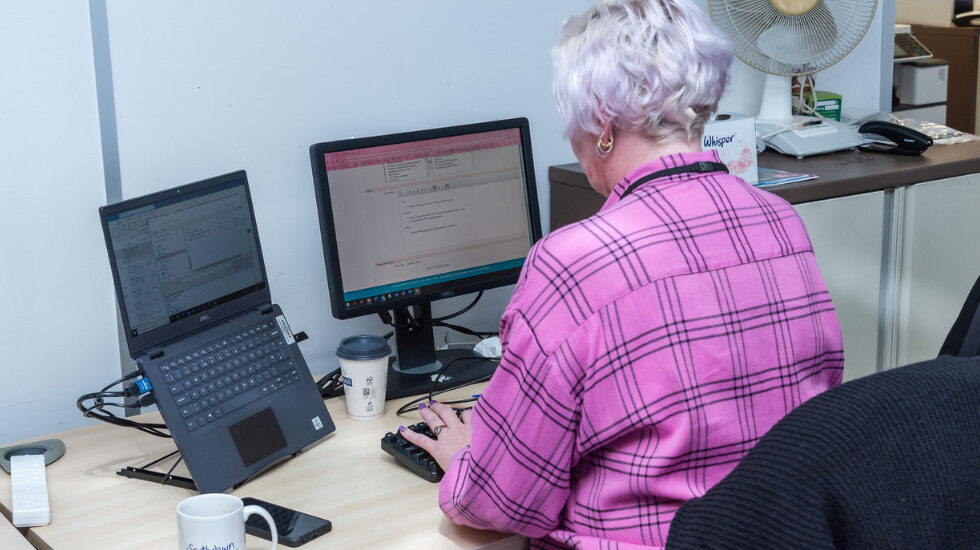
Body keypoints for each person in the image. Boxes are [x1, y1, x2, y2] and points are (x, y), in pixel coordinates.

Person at [400, 0, 844, 548]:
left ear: (604, 125)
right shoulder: (781, 224)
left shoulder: (574, 262)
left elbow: (502, 503)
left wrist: (465, 459)